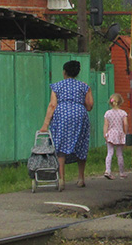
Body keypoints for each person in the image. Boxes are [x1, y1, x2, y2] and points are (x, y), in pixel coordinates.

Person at [39, 60, 93, 191]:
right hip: (80, 115)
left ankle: (62, 179)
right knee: (81, 144)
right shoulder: (84, 86)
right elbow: (90, 106)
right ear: (77, 73)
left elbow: (52, 105)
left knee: (61, 147)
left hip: (62, 115)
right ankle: (81, 178)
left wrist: (45, 125)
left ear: (64, 72)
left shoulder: (57, 86)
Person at [103, 93, 129, 179]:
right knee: (119, 154)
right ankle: (121, 172)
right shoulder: (123, 113)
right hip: (119, 134)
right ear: (120, 102)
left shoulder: (107, 113)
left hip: (110, 134)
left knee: (109, 153)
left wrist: (105, 134)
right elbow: (125, 124)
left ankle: (108, 170)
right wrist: (126, 133)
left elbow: (106, 125)